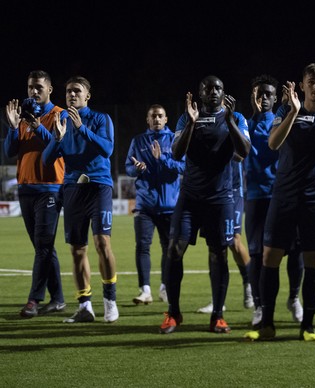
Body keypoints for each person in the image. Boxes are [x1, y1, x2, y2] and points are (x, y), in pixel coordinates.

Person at [244, 63, 315, 342]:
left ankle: (308, 326)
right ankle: (267, 323)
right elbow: (273, 143)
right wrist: (293, 110)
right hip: (284, 196)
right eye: (311, 81)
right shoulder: (285, 111)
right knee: (269, 258)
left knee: (313, 260)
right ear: (302, 85)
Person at [158, 76, 250, 335]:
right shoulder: (186, 118)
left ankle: (218, 316)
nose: (213, 91)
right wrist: (190, 122)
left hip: (221, 199)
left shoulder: (237, 118)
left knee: (219, 253)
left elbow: (244, 151)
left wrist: (230, 120)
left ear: (224, 92)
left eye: (218, 88)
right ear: (199, 93)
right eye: (208, 88)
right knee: (174, 249)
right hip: (190, 198)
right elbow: (176, 153)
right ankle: (174, 313)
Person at [42, 76, 119, 323]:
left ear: (87, 96)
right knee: (77, 250)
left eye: (77, 91)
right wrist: (57, 138)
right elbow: (46, 160)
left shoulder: (100, 119)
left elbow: (107, 149)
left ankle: (109, 301)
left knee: (102, 243)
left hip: (98, 186)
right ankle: (85, 306)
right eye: (68, 91)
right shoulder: (60, 121)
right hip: (73, 188)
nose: (71, 95)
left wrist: (81, 129)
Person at [243, 74, 304, 330]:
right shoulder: (244, 123)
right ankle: (259, 305)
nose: (264, 98)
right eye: (259, 93)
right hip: (256, 196)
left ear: (275, 96)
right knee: (256, 253)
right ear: (252, 96)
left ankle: (293, 298)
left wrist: (290, 108)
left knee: (295, 249)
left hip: (283, 194)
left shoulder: (284, 119)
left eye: (268, 93)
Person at [3, 70, 67, 318]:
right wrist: (12, 126)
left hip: (50, 187)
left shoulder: (59, 115)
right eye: (31, 87)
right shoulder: (23, 117)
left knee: (43, 245)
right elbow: (10, 151)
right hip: (26, 188)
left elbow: (57, 145)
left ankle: (34, 300)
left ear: (49, 89)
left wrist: (37, 125)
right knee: (43, 247)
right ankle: (58, 299)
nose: (34, 91)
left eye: (39, 87)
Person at [125, 104, 185, 305]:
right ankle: (145, 291)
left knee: (169, 249)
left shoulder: (175, 140)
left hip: (170, 206)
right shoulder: (138, 141)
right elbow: (128, 168)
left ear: (166, 119)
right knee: (142, 247)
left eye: (160, 116)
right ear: (148, 120)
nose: (157, 119)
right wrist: (137, 169)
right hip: (145, 206)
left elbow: (183, 167)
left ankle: (165, 288)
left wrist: (162, 160)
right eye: (153, 116)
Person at [195, 157, 254, 313]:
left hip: (233, 192)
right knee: (214, 246)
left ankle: (250, 284)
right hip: (211, 192)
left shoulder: (235, 131)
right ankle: (217, 301)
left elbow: (240, 153)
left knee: (234, 242)